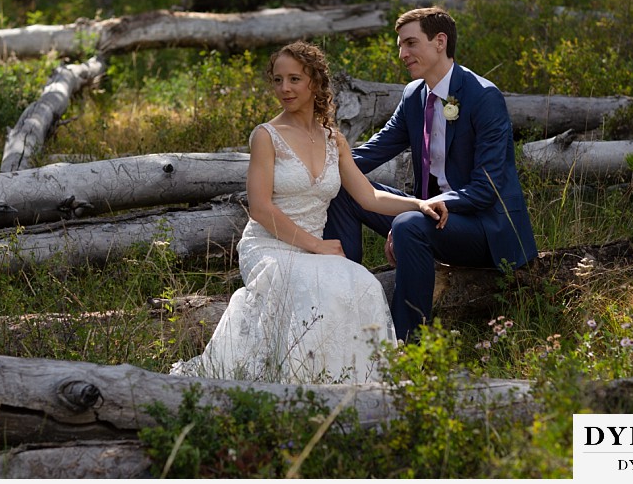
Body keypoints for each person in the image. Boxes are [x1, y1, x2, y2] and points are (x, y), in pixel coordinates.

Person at [170, 41, 447, 384]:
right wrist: (317, 246)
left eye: (294, 79)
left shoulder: (334, 139)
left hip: (315, 248)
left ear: (314, 83)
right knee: (319, 286)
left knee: (362, 283)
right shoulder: (266, 136)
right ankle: (297, 382)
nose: (284, 88)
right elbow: (259, 208)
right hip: (270, 246)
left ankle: (352, 382)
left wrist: (418, 204)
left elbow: (369, 196)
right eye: (277, 80)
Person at [323, 7, 538, 343]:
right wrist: (318, 167)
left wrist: (417, 210)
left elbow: (486, 188)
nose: (402, 53)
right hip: (431, 216)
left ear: (440, 42)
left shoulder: (484, 97)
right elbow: (372, 152)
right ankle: (343, 302)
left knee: (409, 225)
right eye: (399, 45)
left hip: (482, 226)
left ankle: (405, 344)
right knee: (343, 189)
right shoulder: (414, 96)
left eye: (410, 43)